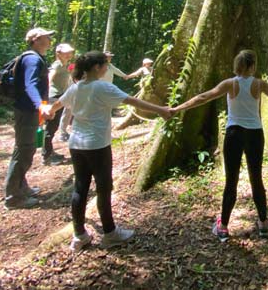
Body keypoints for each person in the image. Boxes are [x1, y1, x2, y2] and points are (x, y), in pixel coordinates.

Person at [172, 49, 268, 242]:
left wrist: (177, 108)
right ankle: (263, 223)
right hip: (254, 135)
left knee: (231, 181)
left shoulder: (230, 84)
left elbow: (203, 97)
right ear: (252, 65)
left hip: (234, 134)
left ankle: (224, 227)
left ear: (237, 65)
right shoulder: (259, 85)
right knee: (256, 178)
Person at [46, 51, 173, 251]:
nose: (107, 67)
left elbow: (58, 103)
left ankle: (79, 235)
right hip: (97, 145)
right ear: (97, 67)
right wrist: (162, 110)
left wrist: (50, 111)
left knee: (80, 188)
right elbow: (133, 101)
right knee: (104, 188)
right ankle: (110, 233)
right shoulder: (103, 87)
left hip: (76, 144)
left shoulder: (76, 87)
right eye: (105, 64)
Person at [3, 27, 54, 210]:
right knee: (24, 151)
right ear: (36, 39)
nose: (50, 39)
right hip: (27, 111)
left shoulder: (35, 57)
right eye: (47, 37)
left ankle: (21, 187)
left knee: (27, 148)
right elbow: (29, 85)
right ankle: (13, 197)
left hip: (28, 111)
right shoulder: (32, 59)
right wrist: (40, 105)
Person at [42, 43, 74, 166]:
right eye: (66, 53)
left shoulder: (65, 65)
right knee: (50, 127)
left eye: (70, 52)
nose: (69, 55)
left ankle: (50, 152)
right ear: (58, 53)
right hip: (53, 98)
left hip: (60, 97)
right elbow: (49, 79)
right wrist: (45, 97)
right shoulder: (57, 65)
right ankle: (46, 156)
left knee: (53, 127)